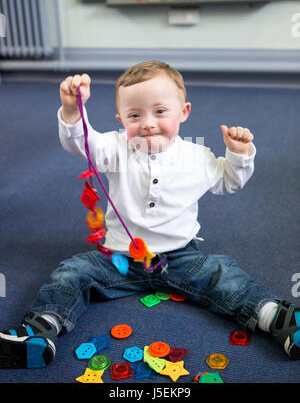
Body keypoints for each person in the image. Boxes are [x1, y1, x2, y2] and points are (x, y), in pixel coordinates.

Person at [0, 60, 299, 369]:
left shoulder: (197, 156)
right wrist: (73, 110)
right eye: (134, 115)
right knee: (70, 272)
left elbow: (229, 182)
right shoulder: (115, 146)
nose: (147, 123)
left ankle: (276, 317)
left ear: (183, 112)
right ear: (120, 119)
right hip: (118, 258)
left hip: (180, 257)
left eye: (160, 112)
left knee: (224, 275)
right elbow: (82, 144)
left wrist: (238, 154)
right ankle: (41, 332)